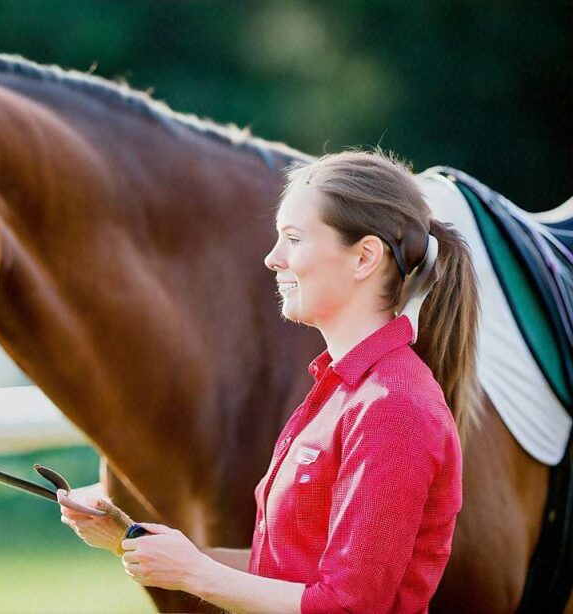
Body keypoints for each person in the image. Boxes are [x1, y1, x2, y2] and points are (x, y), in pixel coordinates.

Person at [58, 149, 479, 613]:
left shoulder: (393, 407)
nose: (272, 258)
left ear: (364, 257)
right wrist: (131, 539)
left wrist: (194, 572)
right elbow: (280, 570)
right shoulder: (340, 393)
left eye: (293, 239)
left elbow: (348, 607)